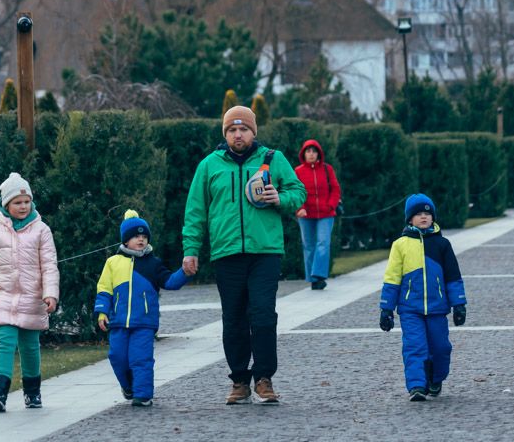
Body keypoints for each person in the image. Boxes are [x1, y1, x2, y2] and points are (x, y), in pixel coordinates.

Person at [182, 105, 307, 405]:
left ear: (253, 132)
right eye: (232, 130)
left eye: (243, 129)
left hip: (265, 252)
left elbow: (298, 192)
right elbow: (195, 212)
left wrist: (281, 197)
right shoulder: (209, 165)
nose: (238, 135)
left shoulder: (272, 159)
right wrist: (191, 250)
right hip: (226, 254)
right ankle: (239, 380)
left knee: (263, 315)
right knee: (234, 318)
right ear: (225, 133)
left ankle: (264, 378)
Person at [0, 172, 59, 413]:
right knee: (4, 342)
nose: (23, 206)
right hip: (2, 294)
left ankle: (32, 392)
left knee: (29, 346)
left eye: (27, 201)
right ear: (6, 204)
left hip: (32, 297)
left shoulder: (41, 230)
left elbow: (49, 265)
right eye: (17, 202)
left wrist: (51, 294)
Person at [94, 210, 191, 407]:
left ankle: (143, 394)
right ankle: (129, 386)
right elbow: (104, 289)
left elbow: (170, 282)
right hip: (118, 322)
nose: (141, 239)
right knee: (117, 356)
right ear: (125, 240)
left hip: (144, 323)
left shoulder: (153, 264)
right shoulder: (112, 263)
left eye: (144, 236)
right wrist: (102, 312)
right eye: (136, 236)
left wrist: (185, 272)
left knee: (141, 359)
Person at [378, 194, 467, 401]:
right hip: (410, 309)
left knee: (441, 347)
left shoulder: (442, 244)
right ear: (410, 219)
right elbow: (392, 278)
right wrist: (386, 309)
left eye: (427, 213)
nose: (424, 217)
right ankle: (417, 385)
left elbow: (453, 276)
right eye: (418, 214)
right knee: (415, 346)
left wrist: (459, 304)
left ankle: (436, 379)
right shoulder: (400, 245)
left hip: (437, 308)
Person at [293, 139, 341, 291]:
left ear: (319, 153)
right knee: (309, 246)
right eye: (308, 151)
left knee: (323, 243)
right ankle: (314, 280)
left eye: (314, 151)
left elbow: (335, 189)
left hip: (326, 214)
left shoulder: (327, 169)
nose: (311, 154)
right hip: (305, 215)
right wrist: (299, 208)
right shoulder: (298, 171)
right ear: (304, 154)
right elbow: (295, 191)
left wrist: (331, 205)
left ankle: (319, 275)